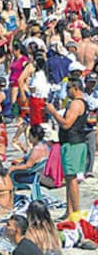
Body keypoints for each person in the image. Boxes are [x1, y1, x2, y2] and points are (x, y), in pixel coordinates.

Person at [45, 78, 90, 216]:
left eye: (68, 87)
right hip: (72, 143)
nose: (67, 91)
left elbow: (66, 124)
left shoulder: (76, 104)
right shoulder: (79, 103)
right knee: (69, 178)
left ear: (76, 88)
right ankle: (69, 210)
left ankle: (75, 211)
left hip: (73, 143)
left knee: (72, 179)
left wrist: (53, 112)